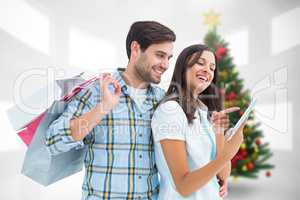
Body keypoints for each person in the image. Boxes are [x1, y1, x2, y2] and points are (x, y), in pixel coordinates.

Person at [45, 21, 176, 200]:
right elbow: (53, 141)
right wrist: (104, 107)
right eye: (160, 55)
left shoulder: (163, 100)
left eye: (169, 57)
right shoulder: (96, 92)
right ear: (135, 49)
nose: (166, 64)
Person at [151, 44, 245, 199]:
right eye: (200, 63)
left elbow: (222, 174)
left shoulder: (205, 113)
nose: (207, 70)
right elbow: (183, 186)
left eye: (212, 68)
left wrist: (219, 134)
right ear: (183, 67)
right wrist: (229, 152)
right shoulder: (170, 111)